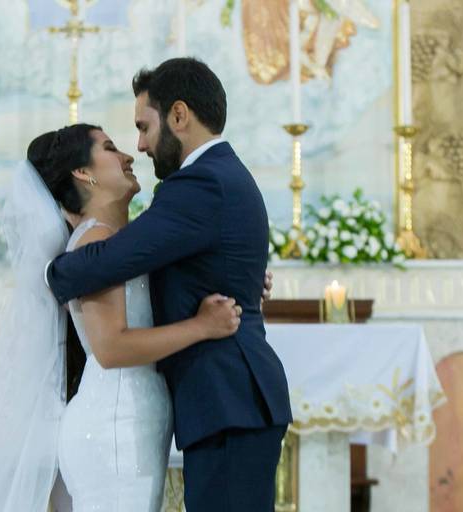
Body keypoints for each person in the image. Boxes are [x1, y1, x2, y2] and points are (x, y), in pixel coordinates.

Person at [0, 123, 243, 512]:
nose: (128, 156)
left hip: (133, 419)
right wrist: (201, 327)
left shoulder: (122, 241)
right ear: (83, 174)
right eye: (110, 148)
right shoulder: (95, 242)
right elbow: (111, 347)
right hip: (114, 423)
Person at [46, 58, 293, 511]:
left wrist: (52, 271)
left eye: (144, 127)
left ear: (179, 116)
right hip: (224, 404)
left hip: (228, 401)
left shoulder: (199, 183)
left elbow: (116, 260)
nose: (139, 146)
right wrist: (232, 280)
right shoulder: (216, 176)